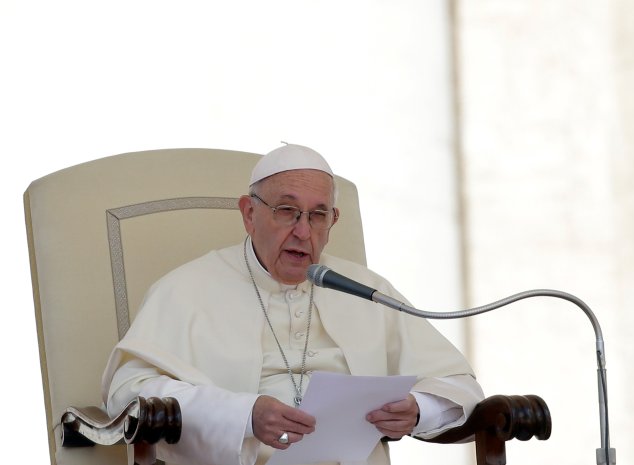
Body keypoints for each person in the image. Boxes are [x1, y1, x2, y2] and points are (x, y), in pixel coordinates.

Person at [102, 143, 484, 465]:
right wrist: (243, 416)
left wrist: (419, 408)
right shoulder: (186, 288)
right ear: (250, 214)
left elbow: (459, 385)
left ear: (332, 222)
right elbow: (130, 392)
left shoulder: (368, 290)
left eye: (318, 215)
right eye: (287, 211)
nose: (303, 231)